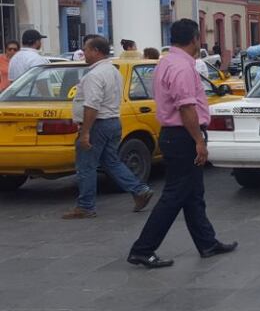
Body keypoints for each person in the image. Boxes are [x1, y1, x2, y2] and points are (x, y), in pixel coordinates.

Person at [127, 19, 236, 269]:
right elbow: (186, 107)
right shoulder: (182, 68)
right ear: (195, 39)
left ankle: (207, 242)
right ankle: (143, 248)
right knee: (174, 195)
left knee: (194, 194)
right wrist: (199, 140)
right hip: (183, 135)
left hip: (175, 133)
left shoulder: (166, 62)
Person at [62, 35, 155, 219]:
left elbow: (92, 105)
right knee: (111, 161)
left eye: (86, 50)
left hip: (98, 124)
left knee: (86, 165)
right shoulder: (113, 71)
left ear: (96, 51)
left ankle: (86, 206)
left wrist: (85, 132)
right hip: (113, 121)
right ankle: (139, 190)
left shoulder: (95, 75)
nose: (84, 53)